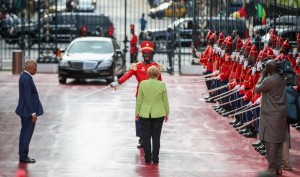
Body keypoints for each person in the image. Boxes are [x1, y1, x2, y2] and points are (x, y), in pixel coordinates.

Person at [109, 40, 162, 149]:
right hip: (141, 96)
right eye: (145, 54)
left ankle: (150, 137)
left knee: (153, 117)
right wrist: (118, 82)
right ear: (142, 55)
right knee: (139, 117)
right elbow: (127, 75)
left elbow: (160, 82)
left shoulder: (156, 67)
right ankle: (142, 138)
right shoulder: (137, 66)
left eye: (149, 54)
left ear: (151, 55)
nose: (147, 56)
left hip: (153, 96)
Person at [255, 59, 287, 176]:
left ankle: (272, 168)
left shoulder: (268, 80)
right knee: (278, 142)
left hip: (270, 115)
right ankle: (278, 168)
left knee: (271, 143)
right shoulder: (281, 78)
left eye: (266, 68)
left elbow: (256, 89)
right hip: (280, 114)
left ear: (269, 68)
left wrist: (262, 75)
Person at [135, 66, 169, 164]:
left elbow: (139, 100)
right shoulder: (162, 84)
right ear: (158, 74)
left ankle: (147, 158)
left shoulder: (142, 84)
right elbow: (165, 101)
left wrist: (137, 112)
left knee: (146, 136)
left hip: (144, 113)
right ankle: (155, 158)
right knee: (156, 137)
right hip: (158, 113)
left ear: (148, 74)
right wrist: (167, 112)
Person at [15, 59, 44, 163]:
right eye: (35, 68)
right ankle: (23, 156)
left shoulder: (24, 76)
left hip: (24, 111)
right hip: (27, 112)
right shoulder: (27, 78)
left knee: (24, 133)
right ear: (30, 68)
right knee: (27, 134)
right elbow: (28, 97)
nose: (36, 70)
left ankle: (23, 155)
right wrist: (33, 113)